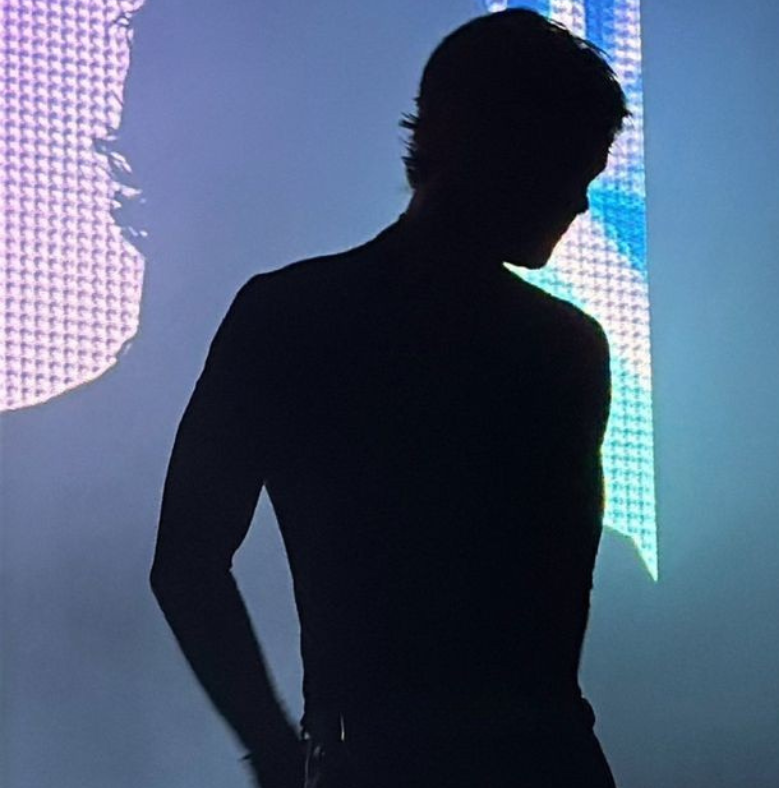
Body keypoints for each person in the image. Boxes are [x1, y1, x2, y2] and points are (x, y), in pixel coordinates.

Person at [150, 8, 630, 787]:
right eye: (571, 164)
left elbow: (186, 565)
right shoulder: (563, 347)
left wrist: (276, 750)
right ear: (495, 147)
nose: (579, 201)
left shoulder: (289, 314)